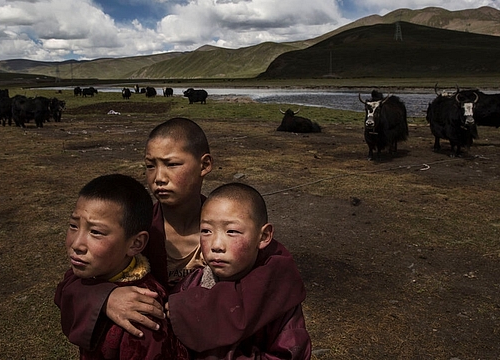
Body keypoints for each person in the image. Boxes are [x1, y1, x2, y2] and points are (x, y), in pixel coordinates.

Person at [55, 118, 306, 353]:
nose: (158, 178)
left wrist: (185, 311)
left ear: (204, 165)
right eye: (150, 166)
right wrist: (106, 298)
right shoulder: (138, 231)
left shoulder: (236, 231)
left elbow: (276, 283)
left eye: (172, 164)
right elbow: (72, 281)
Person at [168, 182, 311, 359]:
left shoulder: (278, 293)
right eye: (206, 231)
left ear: (264, 236)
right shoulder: (192, 286)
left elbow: (290, 353)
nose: (216, 245)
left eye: (232, 231)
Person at [54, 174, 188, 359]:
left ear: (136, 244)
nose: (77, 244)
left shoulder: (141, 316)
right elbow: (66, 288)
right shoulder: (98, 272)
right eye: (73, 226)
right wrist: (104, 298)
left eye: (96, 232)